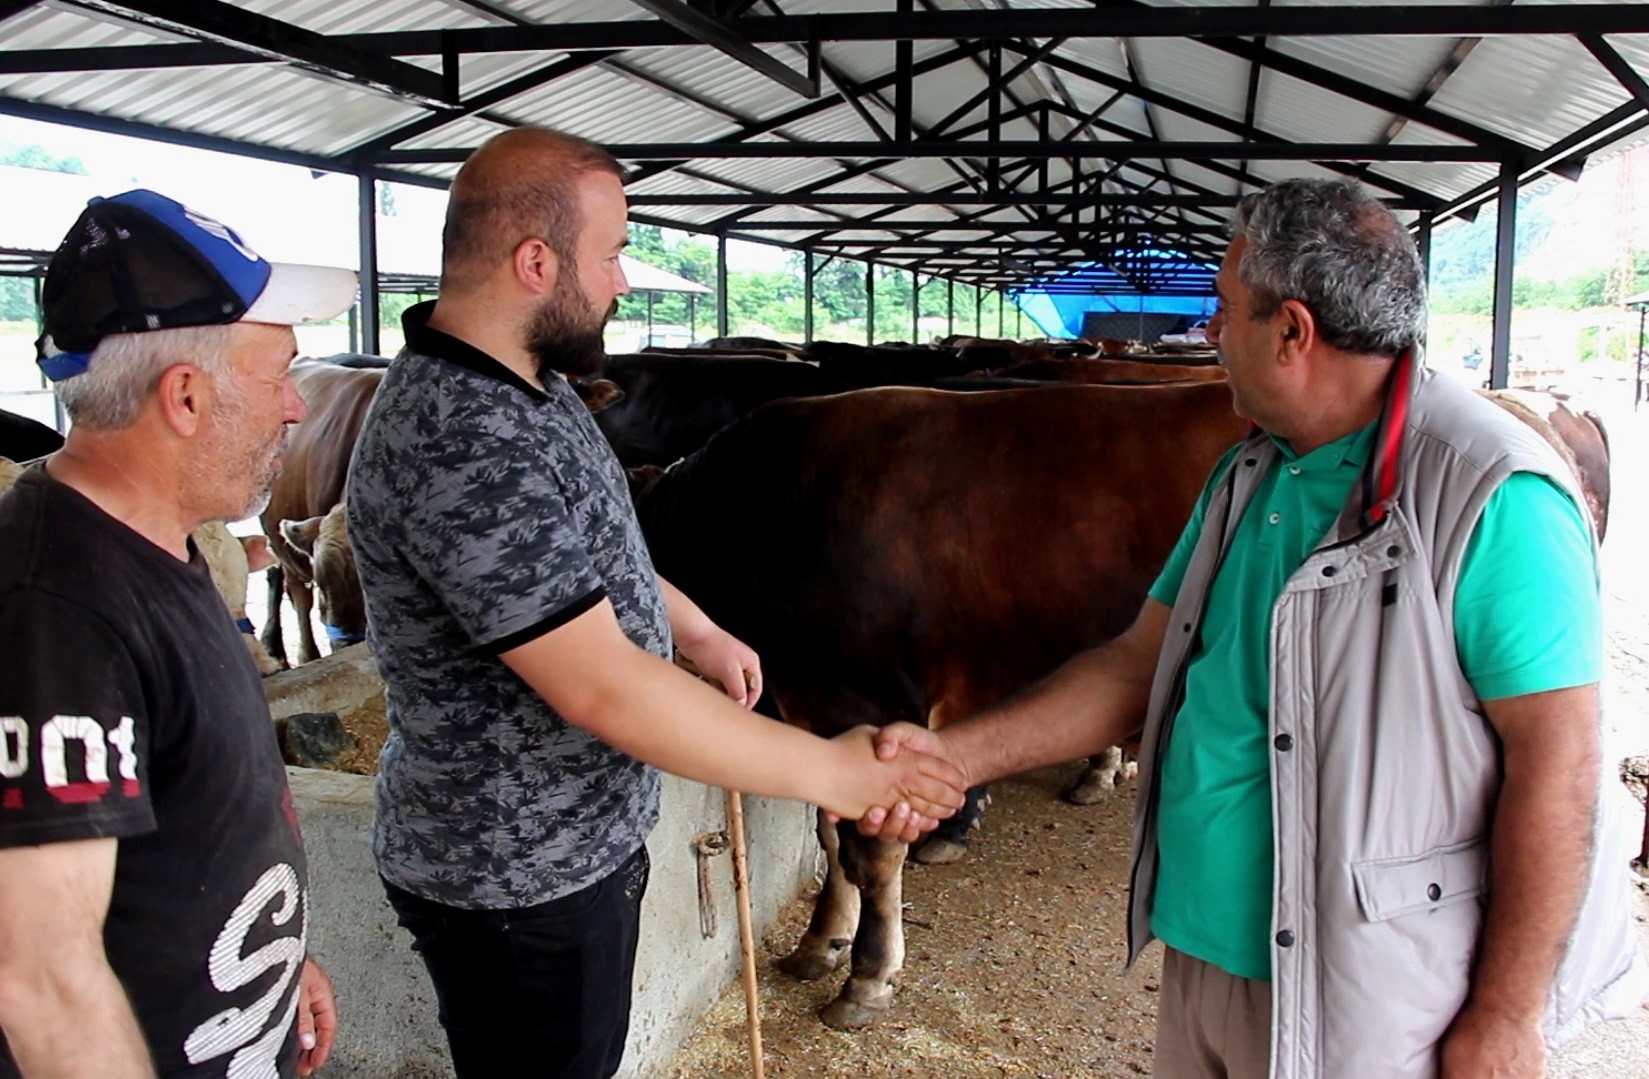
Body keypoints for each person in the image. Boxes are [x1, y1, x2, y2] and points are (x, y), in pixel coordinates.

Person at [862, 178, 1647, 1078]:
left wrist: (1507, 1016)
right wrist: (951, 761)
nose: (1207, 333)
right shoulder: (1247, 475)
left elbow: (1562, 768)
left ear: (1291, 332)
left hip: (1376, 996)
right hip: (1206, 952)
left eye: (1223, 310)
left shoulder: (1490, 493)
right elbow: (1134, 666)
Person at [343, 126, 965, 1079]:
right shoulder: (460, 438)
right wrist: (830, 773)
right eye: (612, 254)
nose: (622, 281)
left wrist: (698, 627)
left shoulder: (533, 385)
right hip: (515, 876)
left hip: (569, 845)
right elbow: (602, 689)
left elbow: (599, 551)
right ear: (536, 262)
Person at [0, 191, 357, 1078]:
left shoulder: (166, 542)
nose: (293, 409)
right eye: (278, 374)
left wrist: (274, 968)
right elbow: (41, 977)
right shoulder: (58, 608)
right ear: (187, 395)